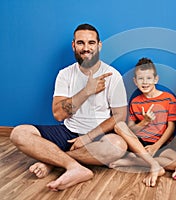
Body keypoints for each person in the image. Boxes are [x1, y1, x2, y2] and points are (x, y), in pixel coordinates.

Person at [9, 23, 128, 191]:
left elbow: (120, 116)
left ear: (99, 45)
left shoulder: (113, 75)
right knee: (19, 133)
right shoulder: (65, 74)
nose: (86, 48)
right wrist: (87, 90)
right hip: (68, 132)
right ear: (73, 45)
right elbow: (58, 115)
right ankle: (74, 166)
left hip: (98, 136)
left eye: (91, 43)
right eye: (80, 43)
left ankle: (53, 162)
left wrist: (86, 139)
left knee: (118, 145)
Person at [110, 58, 176, 187]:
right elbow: (130, 130)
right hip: (139, 144)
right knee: (119, 126)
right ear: (135, 81)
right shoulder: (135, 102)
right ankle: (152, 163)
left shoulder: (169, 98)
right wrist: (144, 122)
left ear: (156, 79)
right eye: (140, 78)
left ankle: (135, 161)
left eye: (149, 78)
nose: (145, 82)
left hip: (161, 144)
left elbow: (171, 127)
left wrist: (156, 146)